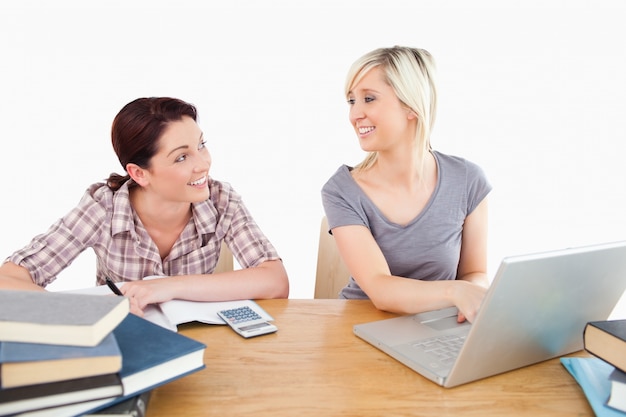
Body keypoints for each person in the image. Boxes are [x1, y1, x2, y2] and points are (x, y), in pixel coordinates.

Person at [0, 97, 289, 315]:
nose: (203, 164)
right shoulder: (104, 208)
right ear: (139, 173)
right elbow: (8, 280)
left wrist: (166, 286)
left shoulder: (221, 200)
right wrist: (90, 314)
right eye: (181, 157)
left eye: (201, 145)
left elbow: (275, 282)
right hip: (127, 345)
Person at [321, 46, 491, 323]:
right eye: (352, 101)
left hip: (439, 327)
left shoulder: (468, 180)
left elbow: (474, 274)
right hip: (361, 328)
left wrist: (472, 297)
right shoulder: (341, 190)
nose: (355, 115)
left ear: (411, 106)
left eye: (368, 99)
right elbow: (380, 288)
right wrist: (454, 292)